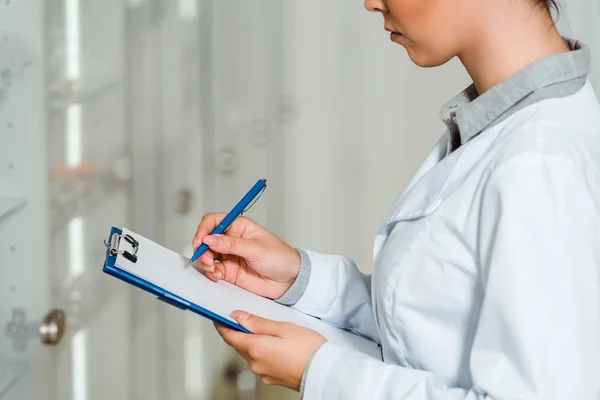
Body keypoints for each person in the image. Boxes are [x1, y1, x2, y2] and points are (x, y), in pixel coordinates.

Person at [192, 0, 600, 398]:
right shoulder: (510, 118)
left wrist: (322, 373)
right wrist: (301, 279)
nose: (371, 4)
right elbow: (437, 328)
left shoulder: (540, 163)